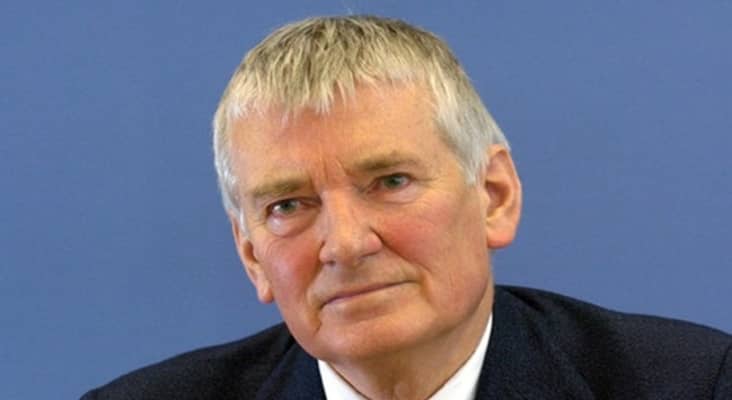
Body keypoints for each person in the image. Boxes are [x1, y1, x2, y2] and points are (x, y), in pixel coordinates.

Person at [82, 15, 731, 400]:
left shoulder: (696, 385)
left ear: (495, 197)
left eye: (390, 181)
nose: (345, 244)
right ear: (252, 256)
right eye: (288, 205)